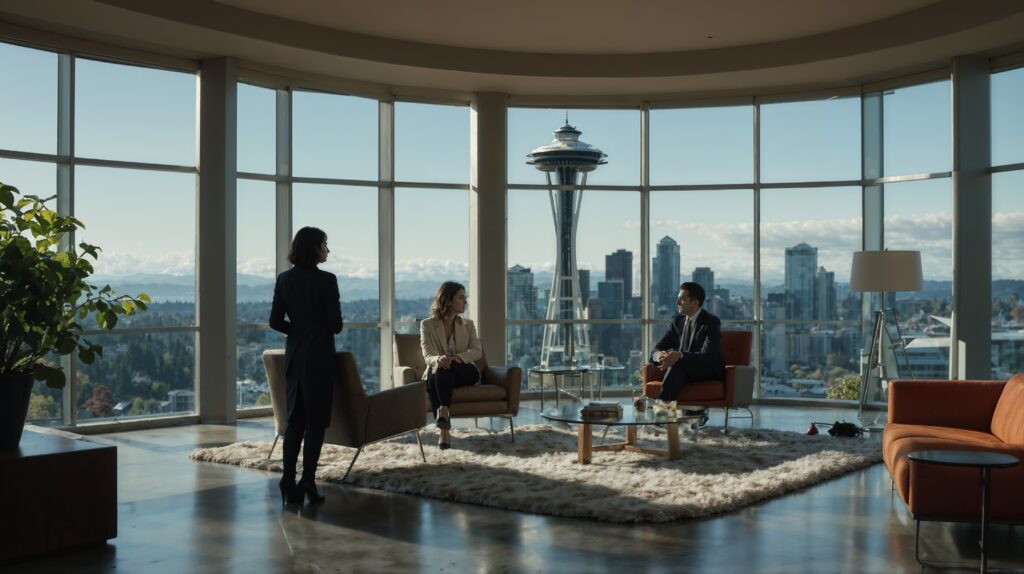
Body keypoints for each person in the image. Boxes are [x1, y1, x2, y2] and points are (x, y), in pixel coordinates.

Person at [269, 226, 343, 505]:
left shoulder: (284, 279)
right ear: (314, 248)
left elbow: (275, 321)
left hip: (295, 358)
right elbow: (335, 325)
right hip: (319, 359)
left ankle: (287, 480)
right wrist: (317, 328)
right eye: (325, 244)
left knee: (295, 422)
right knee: (315, 424)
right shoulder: (327, 280)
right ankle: (308, 481)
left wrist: (299, 330)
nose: (327, 249)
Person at [420, 281, 482, 450]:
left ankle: (442, 422)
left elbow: (477, 352)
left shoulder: (468, 325)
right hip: (439, 370)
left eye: (465, 297)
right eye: (461, 298)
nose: (465, 302)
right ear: (448, 300)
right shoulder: (427, 325)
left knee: (441, 371)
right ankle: (444, 421)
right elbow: (428, 355)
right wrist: (438, 359)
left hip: (466, 371)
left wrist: (455, 358)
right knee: (440, 370)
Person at [650, 282, 725, 423]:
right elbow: (657, 348)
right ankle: (679, 415)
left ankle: (662, 418)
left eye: (682, 299)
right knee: (676, 367)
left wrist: (680, 355)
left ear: (695, 303)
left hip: (706, 369)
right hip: (683, 369)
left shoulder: (711, 322)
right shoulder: (677, 321)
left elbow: (708, 356)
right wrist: (659, 355)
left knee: (677, 366)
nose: (677, 302)